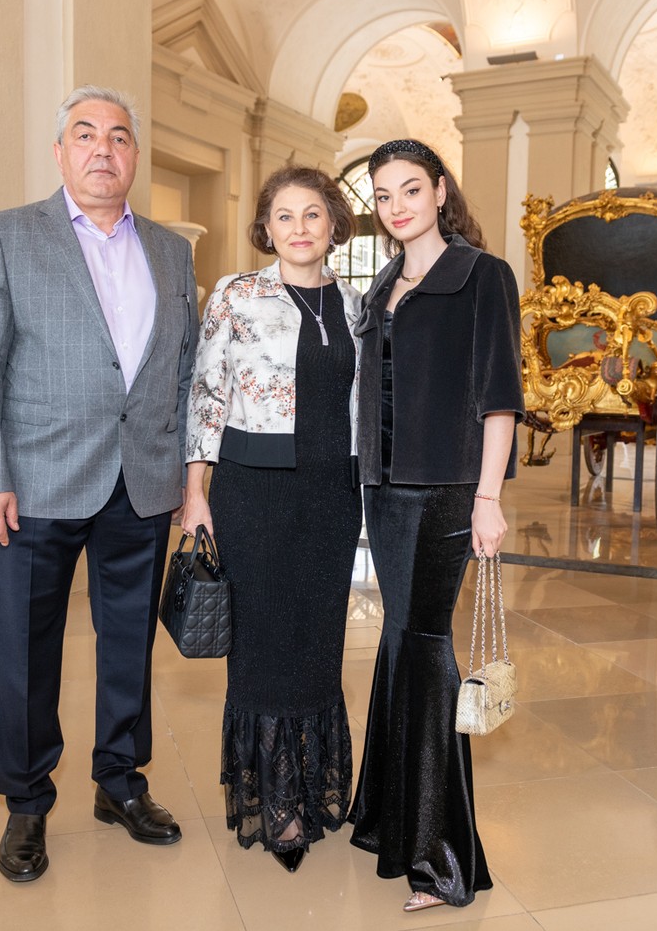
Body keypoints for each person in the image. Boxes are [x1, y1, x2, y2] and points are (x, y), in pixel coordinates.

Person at [0, 85, 199, 882]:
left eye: (119, 136)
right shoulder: (8, 235)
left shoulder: (171, 251)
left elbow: (185, 371)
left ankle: (120, 782)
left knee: (130, 643)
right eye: (85, 134)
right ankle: (27, 802)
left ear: (135, 156)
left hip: (142, 480)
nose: (103, 149)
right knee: (26, 651)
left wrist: (187, 475)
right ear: (60, 152)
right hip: (37, 482)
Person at [347, 139, 524, 912]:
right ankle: (388, 816)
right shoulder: (383, 283)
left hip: (447, 487)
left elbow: (500, 394)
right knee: (398, 637)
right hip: (383, 487)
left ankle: (440, 856)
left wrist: (488, 496)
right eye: (384, 195)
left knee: (423, 644)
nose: (397, 206)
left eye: (411, 189)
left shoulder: (482, 275)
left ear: (441, 190)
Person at [181, 166, 362, 874]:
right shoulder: (236, 294)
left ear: (333, 224)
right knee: (261, 647)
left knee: (317, 645)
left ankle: (315, 792)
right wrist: (196, 493)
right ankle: (278, 806)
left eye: (312, 214)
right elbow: (206, 392)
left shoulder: (357, 304)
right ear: (265, 227)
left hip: (332, 496)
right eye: (284, 216)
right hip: (253, 494)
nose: (299, 228)